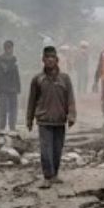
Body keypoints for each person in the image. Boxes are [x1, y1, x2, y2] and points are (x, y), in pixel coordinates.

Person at [26, 46, 77, 185]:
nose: (49, 60)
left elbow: (70, 98)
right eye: (47, 57)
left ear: (57, 60)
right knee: (45, 150)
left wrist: (72, 115)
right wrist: (29, 119)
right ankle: (48, 176)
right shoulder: (38, 79)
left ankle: (55, 174)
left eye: (52, 57)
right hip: (44, 120)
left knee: (57, 150)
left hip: (60, 120)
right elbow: (32, 100)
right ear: (43, 60)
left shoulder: (65, 79)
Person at [0, 40, 22, 133]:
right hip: (3, 88)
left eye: (11, 48)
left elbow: (16, 74)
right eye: (8, 48)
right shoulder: (0, 59)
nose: (10, 50)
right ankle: (2, 127)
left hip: (13, 88)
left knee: (13, 109)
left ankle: (12, 127)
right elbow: (4, 70)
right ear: (5, 48)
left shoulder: (14, 59)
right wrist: (12, 62)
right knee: (3, 108)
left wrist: (18, 87)